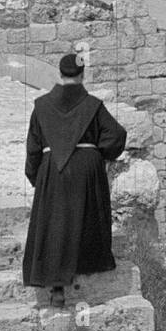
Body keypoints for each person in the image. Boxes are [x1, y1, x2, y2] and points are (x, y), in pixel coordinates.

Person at [22, 53, 128, 307]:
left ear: (59, 75)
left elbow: (33, 148)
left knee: (55, 224)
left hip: (53, 167)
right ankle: (87, 263)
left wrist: (37, 177)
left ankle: (56, 287)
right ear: (82, 76)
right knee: (86, 216)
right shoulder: (93, 105)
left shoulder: (41, 106)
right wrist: (96, 154)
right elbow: (116, 135)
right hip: (86, 166)